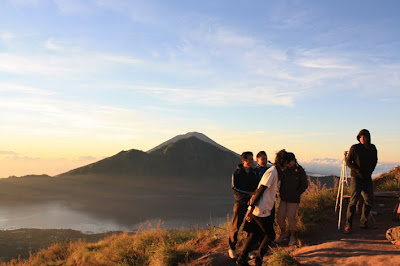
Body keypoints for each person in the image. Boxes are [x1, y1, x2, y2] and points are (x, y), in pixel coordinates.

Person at [236, 149, 295, 266]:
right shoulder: (272, 172)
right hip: (261, 209)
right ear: (285, 162)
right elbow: (260, 189)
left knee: (255, 233)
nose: (289, 164)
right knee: (270, 235)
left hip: (262, 208)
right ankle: (258, 260)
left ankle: (242, 259)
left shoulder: (276, 171)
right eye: (288, 162)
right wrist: (251, 209)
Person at [344, 129, 378, 234]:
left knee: (369, 200)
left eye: (364, 137)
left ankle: (364, 222)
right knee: (353, 201)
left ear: (368, 137)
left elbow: (375, 160)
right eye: (361, 137)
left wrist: (370, 171)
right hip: (356, 178)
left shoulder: (372, 148)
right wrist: (358, 171)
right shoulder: (355, 148)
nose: (362, 139)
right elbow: (348, 162)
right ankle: (348, 224)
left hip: (367, 178)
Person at [228, 151, 259, 259]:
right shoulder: (237, 173)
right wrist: (248, 194)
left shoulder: (254, 173)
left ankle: (249, 249)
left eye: (252, 159)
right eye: (250, 159)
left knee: (251, 227)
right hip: (240, 202)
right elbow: (234, 188)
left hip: (252, 203)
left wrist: (254, 196)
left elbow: (258, 187)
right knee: (236, 226)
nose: (252, 161)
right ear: (244, 160)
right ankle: (232, 248)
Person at [276, 153, 308, 246]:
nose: (289, 163)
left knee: (291, 217)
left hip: (294, 199)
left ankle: (292, 236)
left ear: (294, 160)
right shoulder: (284, 169)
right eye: (287, 161)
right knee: (280, 216)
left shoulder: (299, 170)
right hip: (284, 198)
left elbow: (304, 185)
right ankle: (283, 233)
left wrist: (297, 193)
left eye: (291, 161)